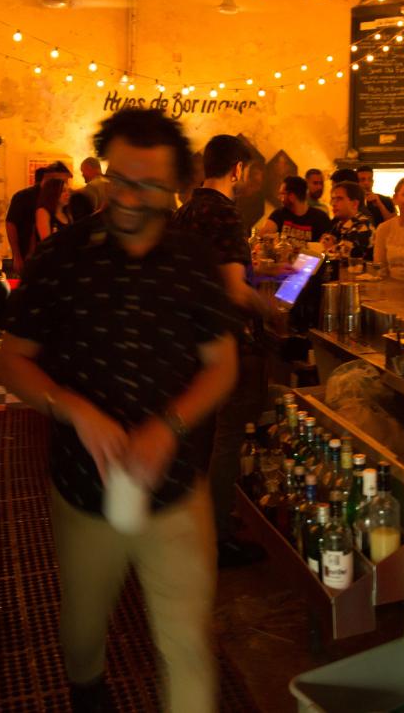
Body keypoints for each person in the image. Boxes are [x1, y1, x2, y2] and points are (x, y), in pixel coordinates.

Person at [0, 107, 238, 713]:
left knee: (185, 644)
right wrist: (73, 408)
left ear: (174, 188)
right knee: (82, 633)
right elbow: (12, 360)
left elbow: (222, 365)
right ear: (105, 172)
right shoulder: (62, 259)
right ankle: (88, 691)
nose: (131, 198)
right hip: (84, 489)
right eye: (121, 180)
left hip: (175, 489)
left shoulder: (193, 264)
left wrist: (169, 427)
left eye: (150, 185)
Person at [175, 134, 272, 568]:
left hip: (187, 339)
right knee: (227, 438)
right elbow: (234, 289)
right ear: (236, 169)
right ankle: (218, 535)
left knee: (198, 439)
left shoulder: (188, 210)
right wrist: (271, 310)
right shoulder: (225, 214)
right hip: (219, 341)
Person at [6, 161, 71, 276]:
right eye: (63, 182)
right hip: (30, 253)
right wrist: (16, 255)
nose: (65, 186)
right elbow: (11, 224)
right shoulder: (24, 196)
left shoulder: (63, 205)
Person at [259, 175, 331, 248]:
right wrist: (268, 237)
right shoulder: (279, 213)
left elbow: (327, 250)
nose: (279, 197)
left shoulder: (321, 218)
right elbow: (263, 235)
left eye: (282, 194)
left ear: (292, 196)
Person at [326, 181, 375, 259]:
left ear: (354, 204)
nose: (333, 204)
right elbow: (325, 244)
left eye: (339, 199)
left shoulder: (363, 226)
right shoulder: (339, 224)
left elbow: (343, 256)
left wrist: (329, 247)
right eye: (333, 199)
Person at [35, 177, 72, 244]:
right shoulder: (43, 212)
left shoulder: (67, 213)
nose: (68, 194)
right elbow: (46, 241)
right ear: (53, 192)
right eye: (63, 191)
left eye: (68, 191)